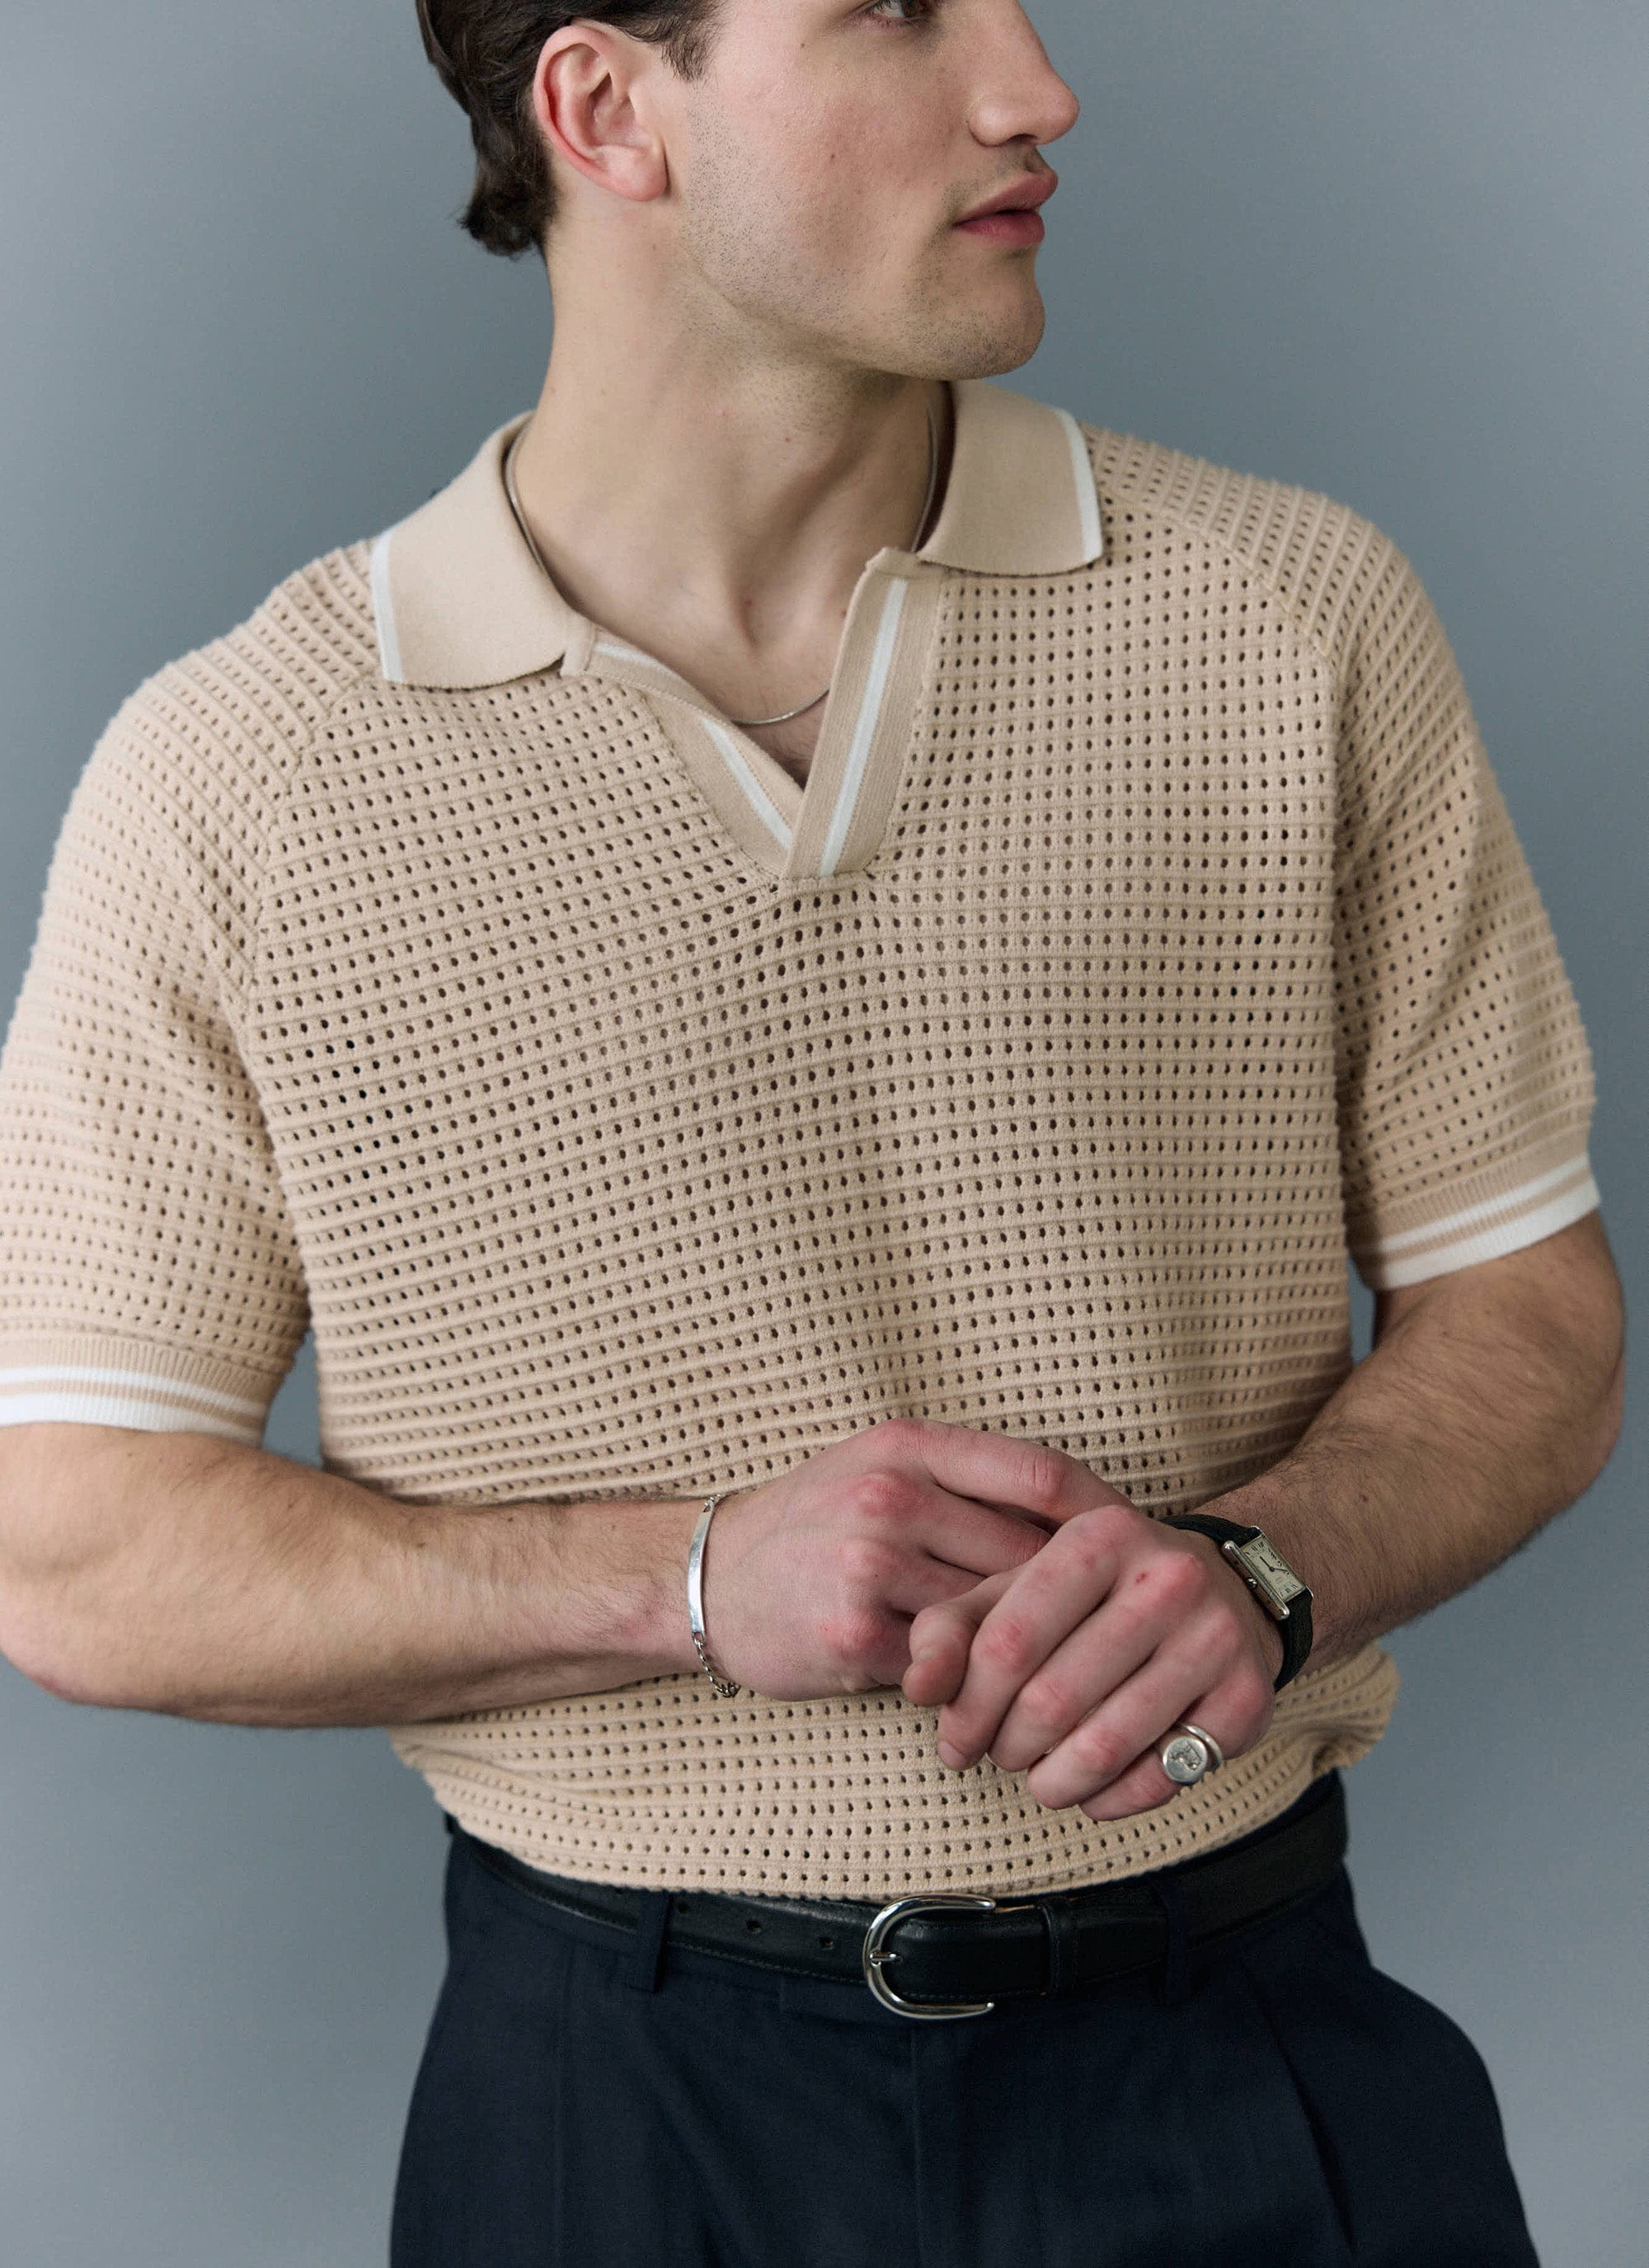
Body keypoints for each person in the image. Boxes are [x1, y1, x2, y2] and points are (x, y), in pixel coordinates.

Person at [0, 1, 1623, 2261]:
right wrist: (677, 1583)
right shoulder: (238, 785)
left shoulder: (1293, 620)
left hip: (1244, 2046)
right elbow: (65, 1547)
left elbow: (1529, 1308)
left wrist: (1272, 1566)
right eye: (894, 10)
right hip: (616, 2106)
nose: (1036, 87)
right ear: (602, 108)